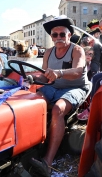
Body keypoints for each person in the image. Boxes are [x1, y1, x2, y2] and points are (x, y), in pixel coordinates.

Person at [30, 15, 89, 176]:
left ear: (69, 35)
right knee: (32, 103)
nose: (58, 38)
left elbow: (78, 71)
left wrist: (59, 73)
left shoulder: (77, 50)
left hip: (75, 87)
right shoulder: (49, 53)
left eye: (62, 34)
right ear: (51, 37)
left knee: (58, 109)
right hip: (53, 86)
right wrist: (33, 78)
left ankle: (47, 162)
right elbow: (44, 76)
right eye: (55, 35)